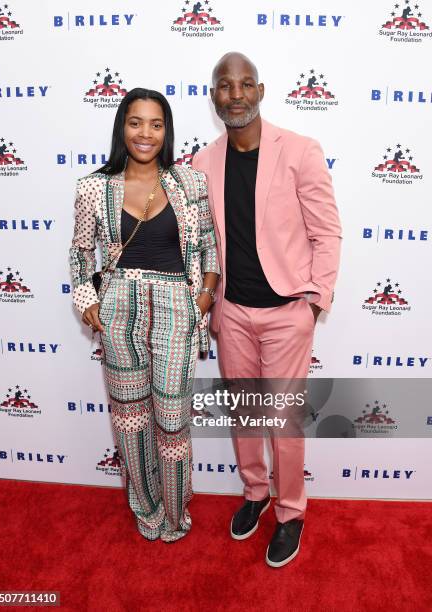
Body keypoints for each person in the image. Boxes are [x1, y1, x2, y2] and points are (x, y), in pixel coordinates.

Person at [193, 53, 341, 567]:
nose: (235, 94)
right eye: (224, 86)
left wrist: (314, 300)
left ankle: (291, 512)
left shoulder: (299, 150)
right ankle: (256, 493)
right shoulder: (202, 162)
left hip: (286, 312)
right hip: (231, 311)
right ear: (213, 97)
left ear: (260, 90)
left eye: (245, 84)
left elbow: (326, 230)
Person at [69, 88, 219, 542]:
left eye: (156, 124)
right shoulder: (94, 187)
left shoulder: (190, 182)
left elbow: (210, 248)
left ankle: (175, 511)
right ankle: (146, 508)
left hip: (177, 305)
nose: (145, 133)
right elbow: (79, 254)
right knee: (130, 419)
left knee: (171, 418)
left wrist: (204, 299)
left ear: (166, 131)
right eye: (136, 122)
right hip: (118, 308)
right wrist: (85, 299)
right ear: (122, 127)